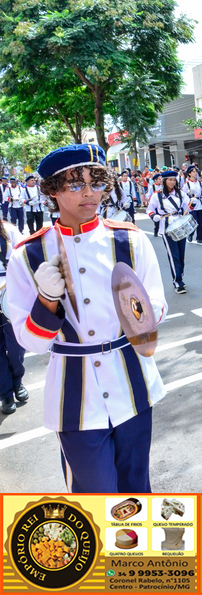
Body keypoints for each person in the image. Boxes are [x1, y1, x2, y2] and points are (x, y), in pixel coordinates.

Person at [6, 143, 168, 492]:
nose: (90, 193)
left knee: (136, 486)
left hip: (133, 382)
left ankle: (138, 547)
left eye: (97, 182)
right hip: (73, 392)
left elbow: (156, 303)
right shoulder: (28, 255)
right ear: (51, 190)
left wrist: (143, 311)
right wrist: (47, 301)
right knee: (93, 492)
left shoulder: (130, 240)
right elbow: (32, 343)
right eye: (75, 184)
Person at [148, 170, 190, 294]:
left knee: (181, 253)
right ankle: (178, 281)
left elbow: (187, 206)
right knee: (173, 255)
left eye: (174, 180)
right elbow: (150, 210)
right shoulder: (157, 195)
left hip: (180, 225)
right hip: (166, 226)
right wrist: (154, 217)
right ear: (164, 181)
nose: (172, 182)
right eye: (170, 180)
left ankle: (179, 275)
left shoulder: (180, 193)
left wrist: (188, 209)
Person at [0, 217, 26, 414]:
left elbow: (24, 258)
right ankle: (6, 393)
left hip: (7, 293)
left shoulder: (8, 230)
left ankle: (17, 381)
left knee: (15, 347)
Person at [183, 166, 202, 243]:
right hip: (191, 204)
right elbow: (184, 195)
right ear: (189, 174)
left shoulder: (199, 183)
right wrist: (189, 198)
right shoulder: (187, 184)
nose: (195, 173)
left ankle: (200, 237)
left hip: (199, 203)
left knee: (200, 222)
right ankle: (191, 234)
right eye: (193, 172)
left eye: (196, 171)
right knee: (193, 221)